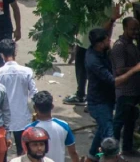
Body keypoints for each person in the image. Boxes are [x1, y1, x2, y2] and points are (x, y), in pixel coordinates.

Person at [86, 26, 140, 162]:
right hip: (99, 103)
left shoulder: (98, 49)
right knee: (109, 135)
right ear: (100, 44)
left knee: (101, 132)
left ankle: (92, 157)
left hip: (107, 100)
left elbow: (104, 35)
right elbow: (114, 82)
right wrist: (135, 69)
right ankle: (111, 158)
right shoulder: (94, 62)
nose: (110, 40)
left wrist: (112, 21)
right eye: (107, 40)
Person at [0, 39, 37, 155]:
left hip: (3, 119)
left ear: (1, 54)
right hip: (22, 117)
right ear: (15, 52)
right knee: (22, 150)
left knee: (2, 151)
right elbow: (34, 93)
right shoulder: (27, 71)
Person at [111, 17, 140, 156]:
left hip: (133, 91)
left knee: (130, 121)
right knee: (118, 123)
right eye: (132, 29)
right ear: (124, 28)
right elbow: (119, 70)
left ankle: (127, 148)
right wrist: (136, 68)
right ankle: (112, 151)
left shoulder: (131, 44)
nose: (136, 32)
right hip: (124, 91)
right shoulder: (119, 46)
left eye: (137, 29)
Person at [25, 90, 80, 162]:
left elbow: (25, 153)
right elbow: (73, 153)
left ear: (35, 108)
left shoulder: (29, 129)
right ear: (52, 106)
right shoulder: (64, 126)